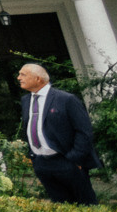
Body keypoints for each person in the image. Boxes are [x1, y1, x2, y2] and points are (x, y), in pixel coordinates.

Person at [17, 63, 100, 204]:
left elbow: (84, 131)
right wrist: (34, 158)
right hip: (42, 164)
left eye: (23, 74)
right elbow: (30, 127)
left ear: (38, 79)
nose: (19, 78)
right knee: (61, 208)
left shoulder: (66, 99)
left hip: (67, 161)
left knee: (86, 206)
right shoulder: (26, 101)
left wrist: (74, 159)